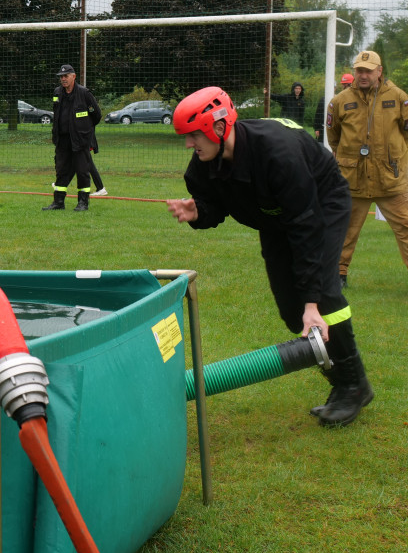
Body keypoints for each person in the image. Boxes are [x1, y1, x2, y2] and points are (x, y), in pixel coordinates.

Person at [167, 86, 372, 427]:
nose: (189, 144)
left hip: (320, 202)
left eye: (193, 136)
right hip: (275, 215)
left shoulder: (279, 154)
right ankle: (346, 383)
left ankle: (352, 385)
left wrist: (312, 302)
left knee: (321, 296)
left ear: (218, 127)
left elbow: (306, 228)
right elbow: (215, 205)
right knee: (293, 312)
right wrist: (198, 212)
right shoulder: (203, 164)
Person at [326, 50, 408, 287]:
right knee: (344, 231)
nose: (363, 75)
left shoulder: (399, 97)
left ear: (379, 71)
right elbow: (334, 138)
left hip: (390, 179)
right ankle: (338, 276)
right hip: (352, 180)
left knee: (406, 228)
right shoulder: (339, 101)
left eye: (368, 71)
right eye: (359, 70)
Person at [43, 63, 101, 211]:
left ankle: (83, 202)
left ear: (73, 76)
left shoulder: (84, 93)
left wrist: (84, 130)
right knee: (61, 170)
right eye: (61, 77)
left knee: (82, 171)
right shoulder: (57, 93)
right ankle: (58, 202)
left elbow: (97, 115)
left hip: (80, 140)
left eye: (66, 76)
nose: (63, 79)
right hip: (62, 140)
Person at [314, 73, 354, 142]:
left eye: (347, 84)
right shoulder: (325, 99)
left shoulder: (350, 98)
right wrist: (317, 128)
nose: (345, 86)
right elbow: (318, 114)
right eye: (344, 84)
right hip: (327, 128)